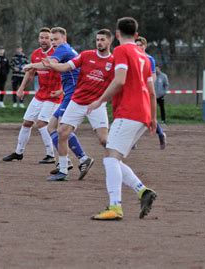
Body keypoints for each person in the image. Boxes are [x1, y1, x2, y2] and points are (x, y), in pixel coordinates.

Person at [87, 17, 157, 221]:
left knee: (110, 158)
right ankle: (143, 192)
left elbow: (120, 80)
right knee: (114, 158)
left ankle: (115, 207)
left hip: (129, 112)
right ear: (136, 35)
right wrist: (152, 118)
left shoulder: (121, 51)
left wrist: (99, 100)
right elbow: (152, 92)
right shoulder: (143, 55)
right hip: (142, 114)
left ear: (117, 34)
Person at [23, 27, 94, 181]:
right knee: (51, 127)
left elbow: (50, 64)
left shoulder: (63, 49)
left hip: (73, 96)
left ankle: (68, 165)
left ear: (64, 38)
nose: (53, 42)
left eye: (56, 39)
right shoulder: (67, 50)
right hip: (70, 93)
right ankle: (78, 160)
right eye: (52, 40)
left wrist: (31, 66)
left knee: (61, 129)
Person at [42, 29, 113, 181]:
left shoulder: (113, 62)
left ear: (109, 41)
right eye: (97, 40)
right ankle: (63, 170)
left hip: (97, 104)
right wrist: (52, 65)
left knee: (104, 140)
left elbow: (117, 84)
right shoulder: (86, 55)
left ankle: (117, 166)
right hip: (77, 101)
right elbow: (66, 67)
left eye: (102, 40)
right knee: (62, 132)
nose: (99, 42)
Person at [2, 27, 62, 164]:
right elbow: (30, 72)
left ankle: (50, 155)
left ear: (51, 40)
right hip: (41, 94)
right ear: (38, 39)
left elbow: (65, 72)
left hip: (54, 95)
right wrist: (21, 88)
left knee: (42, 123)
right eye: (42, 37)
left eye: (47, 38)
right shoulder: (35, 54)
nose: (44, 40)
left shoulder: (57, 53)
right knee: (27, 122)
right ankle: (18, 153)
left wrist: (62, 90)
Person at [135, 37, 167, 150]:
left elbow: (152, 77)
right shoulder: (133, 57)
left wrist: (144, 87)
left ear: (145, 46)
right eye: (137, 44)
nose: (138, 47)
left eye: (140, 45)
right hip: (134, 91)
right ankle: (132, 141)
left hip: (145, 91)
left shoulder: (149, 59)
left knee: (148, 116)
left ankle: (161, 134)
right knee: (132, 115)